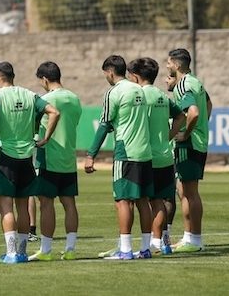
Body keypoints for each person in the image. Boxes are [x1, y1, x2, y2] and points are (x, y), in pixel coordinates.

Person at [0, 61, 60, 264]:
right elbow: (54, 112)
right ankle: (22, 252)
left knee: (6, 207)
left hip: (4, 156)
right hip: (26, 156)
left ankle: (12, 253)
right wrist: (45, 138)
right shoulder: (30, 94)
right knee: (23, 206)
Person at [85, 55, 154, 261]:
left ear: (110, 72)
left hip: (126, 153)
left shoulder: (113, 92)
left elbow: (104, 125)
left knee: (122, 201)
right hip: (145, 151)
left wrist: (91, 155)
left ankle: (125, 250)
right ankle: (145, 249)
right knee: (143, 201)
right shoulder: (138, 90)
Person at [29, 61, 82, 261]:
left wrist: (44, 138)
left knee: (46, 204)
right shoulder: (75, 98)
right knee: (69, 203)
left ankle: (46, 249)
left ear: (44, 79)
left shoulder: (46, 100)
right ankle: (70, 248)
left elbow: (39, 124)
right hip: (68, 157)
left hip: (49, 157)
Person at [128, 57, 181, 255]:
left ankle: (146, 243)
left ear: (134, 77)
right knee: (159, 201)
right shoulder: (161, 95)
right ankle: (160, 242)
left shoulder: (139, 96)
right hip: (165, 155)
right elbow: (180, 116)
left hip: (146, 156)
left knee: (141, 202)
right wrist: (168, 136)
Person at [167, 48, 210, 253]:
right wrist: (202, 127)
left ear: (176, 65)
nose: (167, 67)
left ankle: (194, 240)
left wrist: (186, 134)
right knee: (186, 191)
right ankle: (190, 237)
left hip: (189, 144)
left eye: (168, 63)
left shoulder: (183, 84)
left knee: (188, 193)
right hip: (199, 141)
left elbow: (193, 112)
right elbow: (209, 104)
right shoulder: (196, 81)